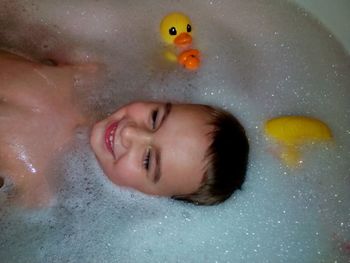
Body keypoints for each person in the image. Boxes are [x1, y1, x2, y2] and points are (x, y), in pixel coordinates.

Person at [0, 50, 249, 207]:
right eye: (154, 118)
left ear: (148, 194)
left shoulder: (39, 190)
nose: (130, 133)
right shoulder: (85, 72)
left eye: (148, 160)